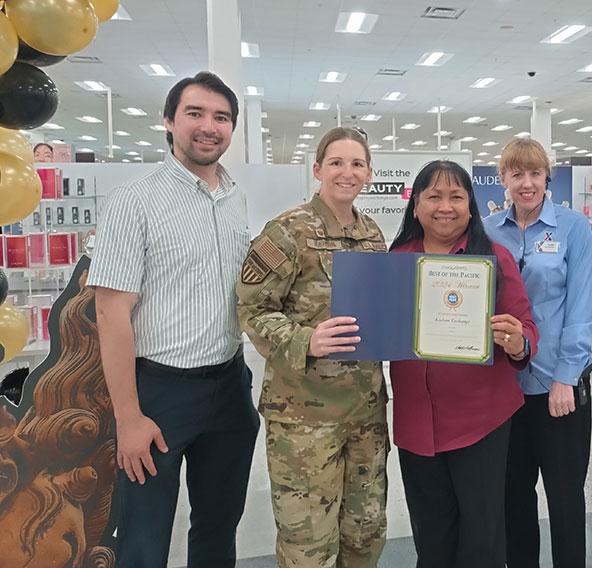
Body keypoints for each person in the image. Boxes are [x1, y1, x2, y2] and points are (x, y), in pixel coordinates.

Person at [88, 71, 259, 567]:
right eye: (195, 113)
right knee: (145, 535)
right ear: (169, 121)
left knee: (218, 525)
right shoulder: (134, 201)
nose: (209, 127)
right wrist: (129, 417)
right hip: (158, 393)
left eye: (221, 117)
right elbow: (111, 311)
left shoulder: (234, 200)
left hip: (229, 385)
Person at [236, 127, 388, 568]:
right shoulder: (286, 231)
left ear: (369, 173)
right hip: (305, 420)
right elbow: (252, 308)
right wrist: (305, 339)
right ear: (318, 169)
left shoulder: (372, 234)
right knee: (309, 548)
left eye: (357, 163)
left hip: (364, 415)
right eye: (337, 163)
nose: (347, 172)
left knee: (365, 534)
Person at [389, 160, 540, 568]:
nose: (445, 206)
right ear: (415, 205)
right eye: (434, 196)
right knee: (432, 536)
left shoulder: (493, 258)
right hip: (417, 423)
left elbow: (525, 327)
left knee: (483, 537)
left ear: (471, 206)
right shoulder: (395, 260)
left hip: (482, 422)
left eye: (456, 196)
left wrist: (516, 342)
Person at [483, 138, 592, 568]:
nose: (527, 183)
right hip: (504, 390)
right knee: (513, 497)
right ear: (503, 180)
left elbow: (583, 308)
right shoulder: (487, 231)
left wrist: (566, 376)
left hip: (559, 387)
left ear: (547, 177)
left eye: (535, 173)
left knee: (565, 498)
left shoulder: (572, 228)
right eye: (517, 174)